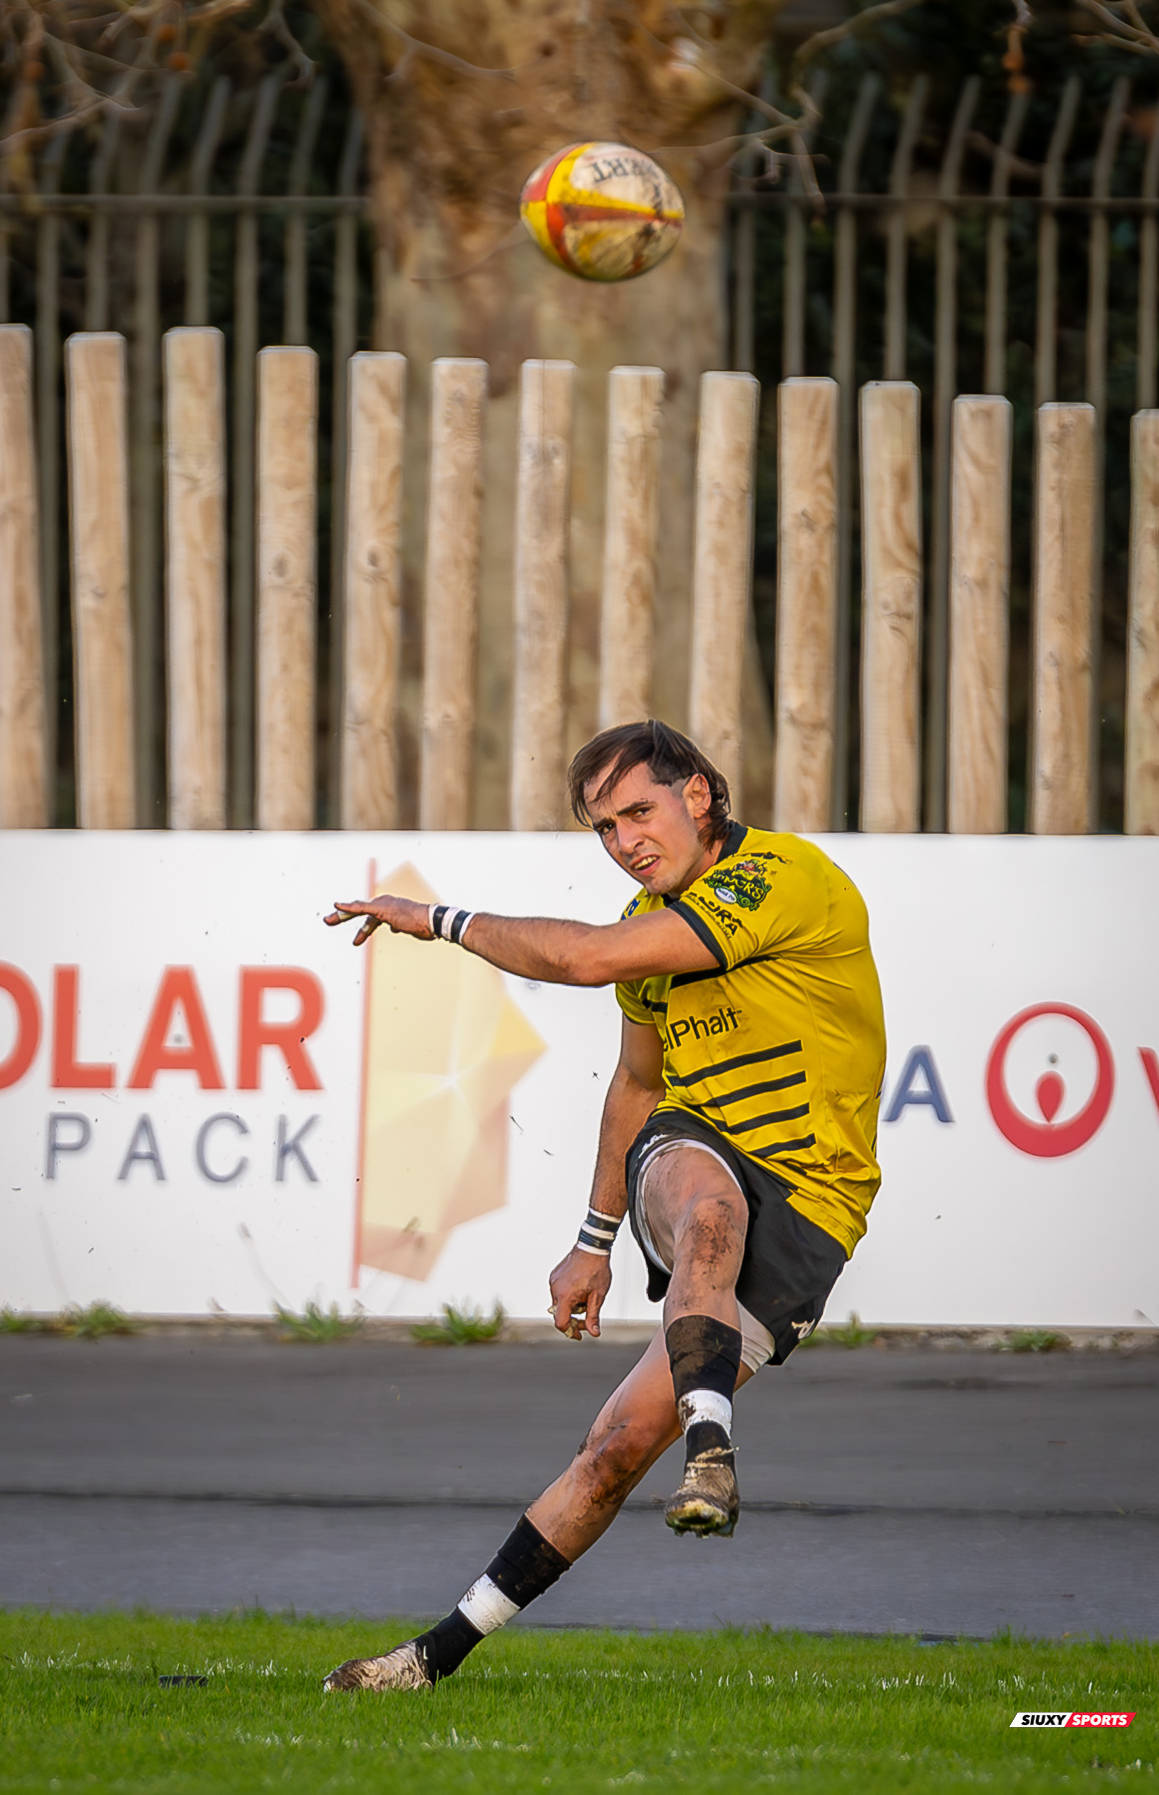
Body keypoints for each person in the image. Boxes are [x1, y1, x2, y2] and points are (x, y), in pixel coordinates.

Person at [321, 719, 886, 1694]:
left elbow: (583, 959)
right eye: (604, 828)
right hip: (696, 1153)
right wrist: (592, 1241)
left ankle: (436, 1652)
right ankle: (712, 1448)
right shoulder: (650, 925)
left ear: (698, 795)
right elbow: (635, 1089)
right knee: (707, 1198)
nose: (625, 841)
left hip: (813, 1207)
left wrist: (438, 921)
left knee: (615, 1447)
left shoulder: (778, 877)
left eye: (638, 812)